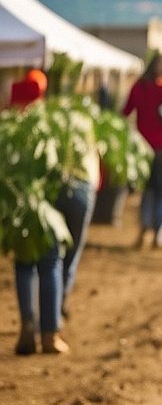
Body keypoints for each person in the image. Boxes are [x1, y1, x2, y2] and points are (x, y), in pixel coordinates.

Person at [9, 69, 96, 355]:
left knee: (24, 263)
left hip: (21, 198)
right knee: (50, 262)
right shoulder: (60, 122)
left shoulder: (14, 123)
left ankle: (28, 326)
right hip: (58, 193)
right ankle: (49, 334)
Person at [122, 53, 162, 248]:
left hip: (143, 149)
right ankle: (158, 235)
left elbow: (125, 112)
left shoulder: (140, 86)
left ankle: (144, 228)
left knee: (147, 191)